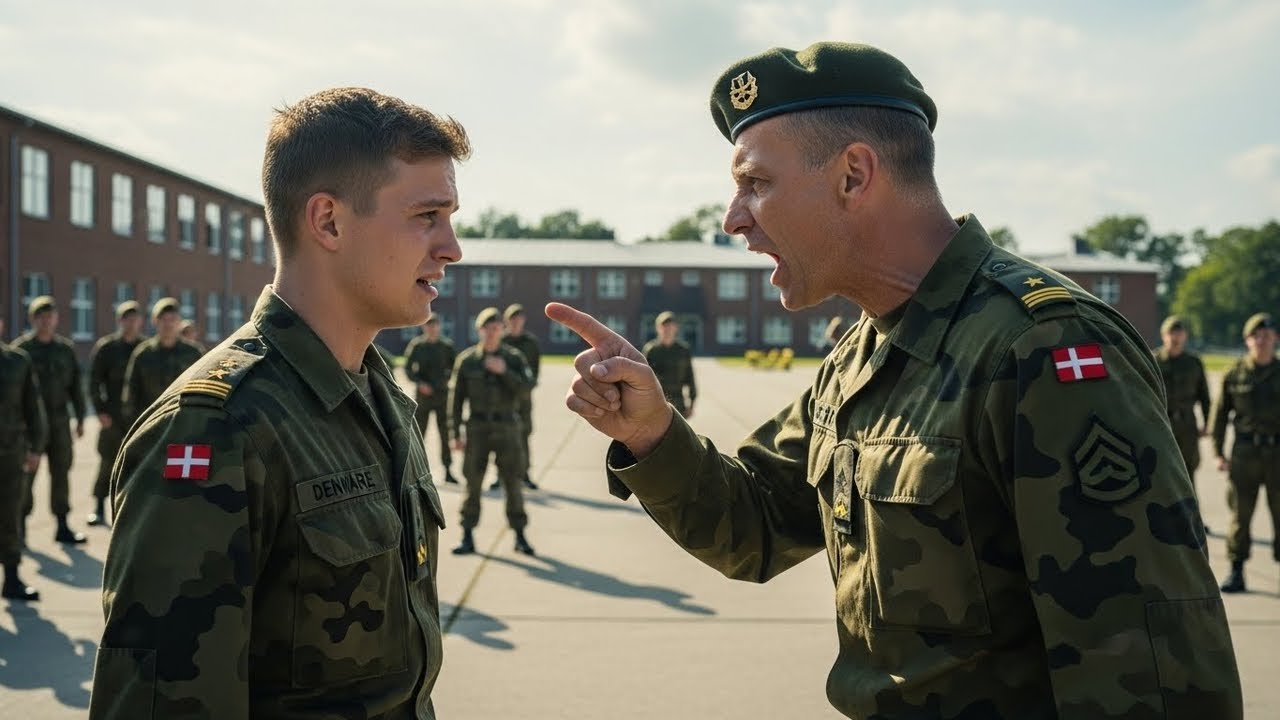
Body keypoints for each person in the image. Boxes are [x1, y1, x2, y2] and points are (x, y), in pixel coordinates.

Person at [547, 42, 1241, 718]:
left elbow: (1149, 670)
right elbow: (753, 528)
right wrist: (651, 435)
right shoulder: (860, 358)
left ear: (854, 175)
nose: (733, 219)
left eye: (755, 183)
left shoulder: (1040, 347)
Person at [90, 87, 469, 718]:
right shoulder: (217, 428)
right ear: (327, 222)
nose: (452, 247)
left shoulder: (379, 399)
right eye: (427, 216)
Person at [449, 307, 535, 556]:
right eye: (487, 328)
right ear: (479, 330)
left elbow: (526, 389)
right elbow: (455, 401)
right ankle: (467, 535)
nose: (491, 332)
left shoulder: (514, 358)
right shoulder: (466, 361)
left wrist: (504, 372)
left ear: (502, 330)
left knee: (513, 482)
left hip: (508, 427)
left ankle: (519, 535)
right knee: (472, 482)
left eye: (496, 328)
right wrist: (455, 434)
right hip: (477, 428)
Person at [1211, 312, 1280, 594]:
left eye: (1267, 336)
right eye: (1256, 336)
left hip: (1278, 453)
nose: (1262, 341)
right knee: (1241, 515)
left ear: (1275, 339)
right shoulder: (1234, 374)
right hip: (1245, 453)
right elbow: (1219, 415)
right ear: (1247, 340)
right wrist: (1218, 452)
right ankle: (1236, 571)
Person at [15, 295, 87, 545]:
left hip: (58, 421)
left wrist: (79, 417)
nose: (45, 322)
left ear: (56, 319)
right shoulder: (22, 351)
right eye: (40, 317)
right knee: (26, 476)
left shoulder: (64, 350)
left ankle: (62, 525)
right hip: (30, 425)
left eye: (50, 316)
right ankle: (20, 526)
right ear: (32, 319)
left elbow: (76, 387)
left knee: (61, 473)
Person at [85, 300, 145, 526]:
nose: (131, 323)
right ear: (120, 321)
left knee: (138, 462)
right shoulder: (107, 348)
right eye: (126, 318)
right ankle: (99, 508)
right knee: (108, 461)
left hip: (139, 417)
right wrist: (100, 411)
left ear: (140, 321)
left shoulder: (144, 348)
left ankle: (132, 509)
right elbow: (94, 381)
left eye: (135, 318)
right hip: (112, 416)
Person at [0, 311, 47, 600]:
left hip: (10, 453)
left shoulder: (17, 362)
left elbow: (33, 406)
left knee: (10, 516)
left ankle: (12, 579)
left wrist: (36, 447)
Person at [121, 297, 205, 426]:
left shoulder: (194, 353)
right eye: (163, 319)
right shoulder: (143, 354)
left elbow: (204, 390)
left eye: (172, 319)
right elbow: (131, 394)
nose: (168, 324)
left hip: (184, 424)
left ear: (179, 322)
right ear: (155, 321)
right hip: (150, 424)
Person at [1153, 316, 1211, 485]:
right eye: (1171, 333)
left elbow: (1204, 397)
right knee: (1159, 472)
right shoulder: (1153, 361)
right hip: (1161, 425)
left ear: (1185, 335)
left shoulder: (1193, 363)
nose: (1175, 338)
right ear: (1164, 335)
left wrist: (1208, 423)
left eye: (1179, 333)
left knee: (1188, 473)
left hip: (1187, 426)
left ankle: (1189, 512)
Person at [403, 313, 459, 484]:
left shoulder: (446, 346)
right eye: (428, 325)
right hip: (423, 397)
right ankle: (417, 470)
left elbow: (455, 368)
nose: (432, 328)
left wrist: (448, 379)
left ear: (439, 327)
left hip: (442, 397)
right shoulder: (417, 346)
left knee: (445, 433)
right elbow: (408, 369)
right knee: (419, 433)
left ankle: (448, 469)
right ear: (424, 327)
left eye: (434, 325)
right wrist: (419, 383)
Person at [499, 303, 540, 490]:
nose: (515, 322)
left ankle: (524, 474)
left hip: (523, 397)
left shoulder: (531, 343)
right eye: (512, 319)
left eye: (519, 318)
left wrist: (526, 388)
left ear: (523, 320)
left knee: (524, 435)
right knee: (501, 436)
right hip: (503, 398)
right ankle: (499, 476)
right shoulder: (501, 341)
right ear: (507, 321)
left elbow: (535, 371)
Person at [641, 311, 696, 418]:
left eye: (670, 326)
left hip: (678, 401)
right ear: (658, 328)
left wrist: (692, 403)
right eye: (664, 326)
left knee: (678, 433)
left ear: (676, 328)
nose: (667, 329)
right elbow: (643, 378)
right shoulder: (651, 350)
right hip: (656, 401)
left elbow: (690, 377)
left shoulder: (683, 350)